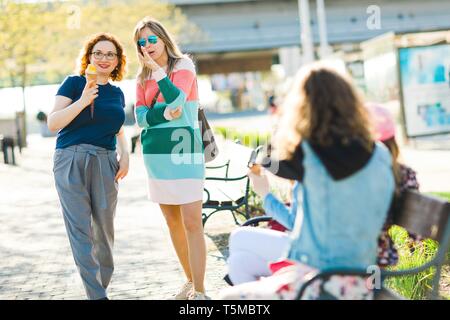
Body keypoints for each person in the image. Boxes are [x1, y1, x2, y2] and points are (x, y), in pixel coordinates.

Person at [220, 63, 395, 300]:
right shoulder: (379, 153)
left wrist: (284, 122)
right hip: (360, 274)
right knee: (241, 261)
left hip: (321, 281)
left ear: (302, 108)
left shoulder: (309, 156)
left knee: (226, 299)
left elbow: (269, 158)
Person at [47, 33, 129, 300]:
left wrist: (125, 154)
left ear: (117, 61)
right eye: (98, 53)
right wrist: (83, 100)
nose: (104, 59)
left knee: (104, 230)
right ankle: (98, 296)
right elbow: (53, 123)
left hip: (106, 161)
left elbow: (117, 127)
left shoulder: (117, 93)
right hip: (71, 158)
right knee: (81, 230)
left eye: (110, 54)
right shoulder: (73, 83)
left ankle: (99, 286)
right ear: (89, 57)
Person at [133, 17, 208, 300]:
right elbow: (140, 119)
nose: (148, 46)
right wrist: (164, 113)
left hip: (184, 150)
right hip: (155, 155)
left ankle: (200, 291)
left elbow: (178, 102)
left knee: (191, 221)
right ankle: (190, 280)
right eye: (142, 42)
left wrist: (160, 76)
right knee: (172, 221)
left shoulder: (183, 66)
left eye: (152, 39)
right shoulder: (141, 79)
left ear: (163, 39)